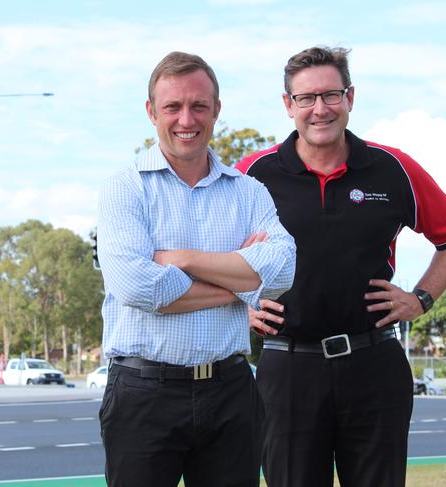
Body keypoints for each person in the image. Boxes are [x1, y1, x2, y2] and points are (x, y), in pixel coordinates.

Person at [235, 46, 446, 487]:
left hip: (374, 365)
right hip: (287, 370)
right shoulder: (251, 174)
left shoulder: (393, 168)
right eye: (306, 98)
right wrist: (239, 306)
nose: (319, 109)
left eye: (331, 95)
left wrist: (421, 299)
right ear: (288, 105)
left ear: (350, 97)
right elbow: (209, 256)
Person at [96, 51, 296, 487]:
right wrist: (241, 282)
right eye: (172, 106)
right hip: (143, 394)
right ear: (152, 112)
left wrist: (180, 260)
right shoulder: (123, 190)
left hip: (231, 391)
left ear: (216, 110)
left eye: (199, 106)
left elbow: (281, 273)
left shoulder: (249, 192)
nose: (186, 118)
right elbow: (138, 288)